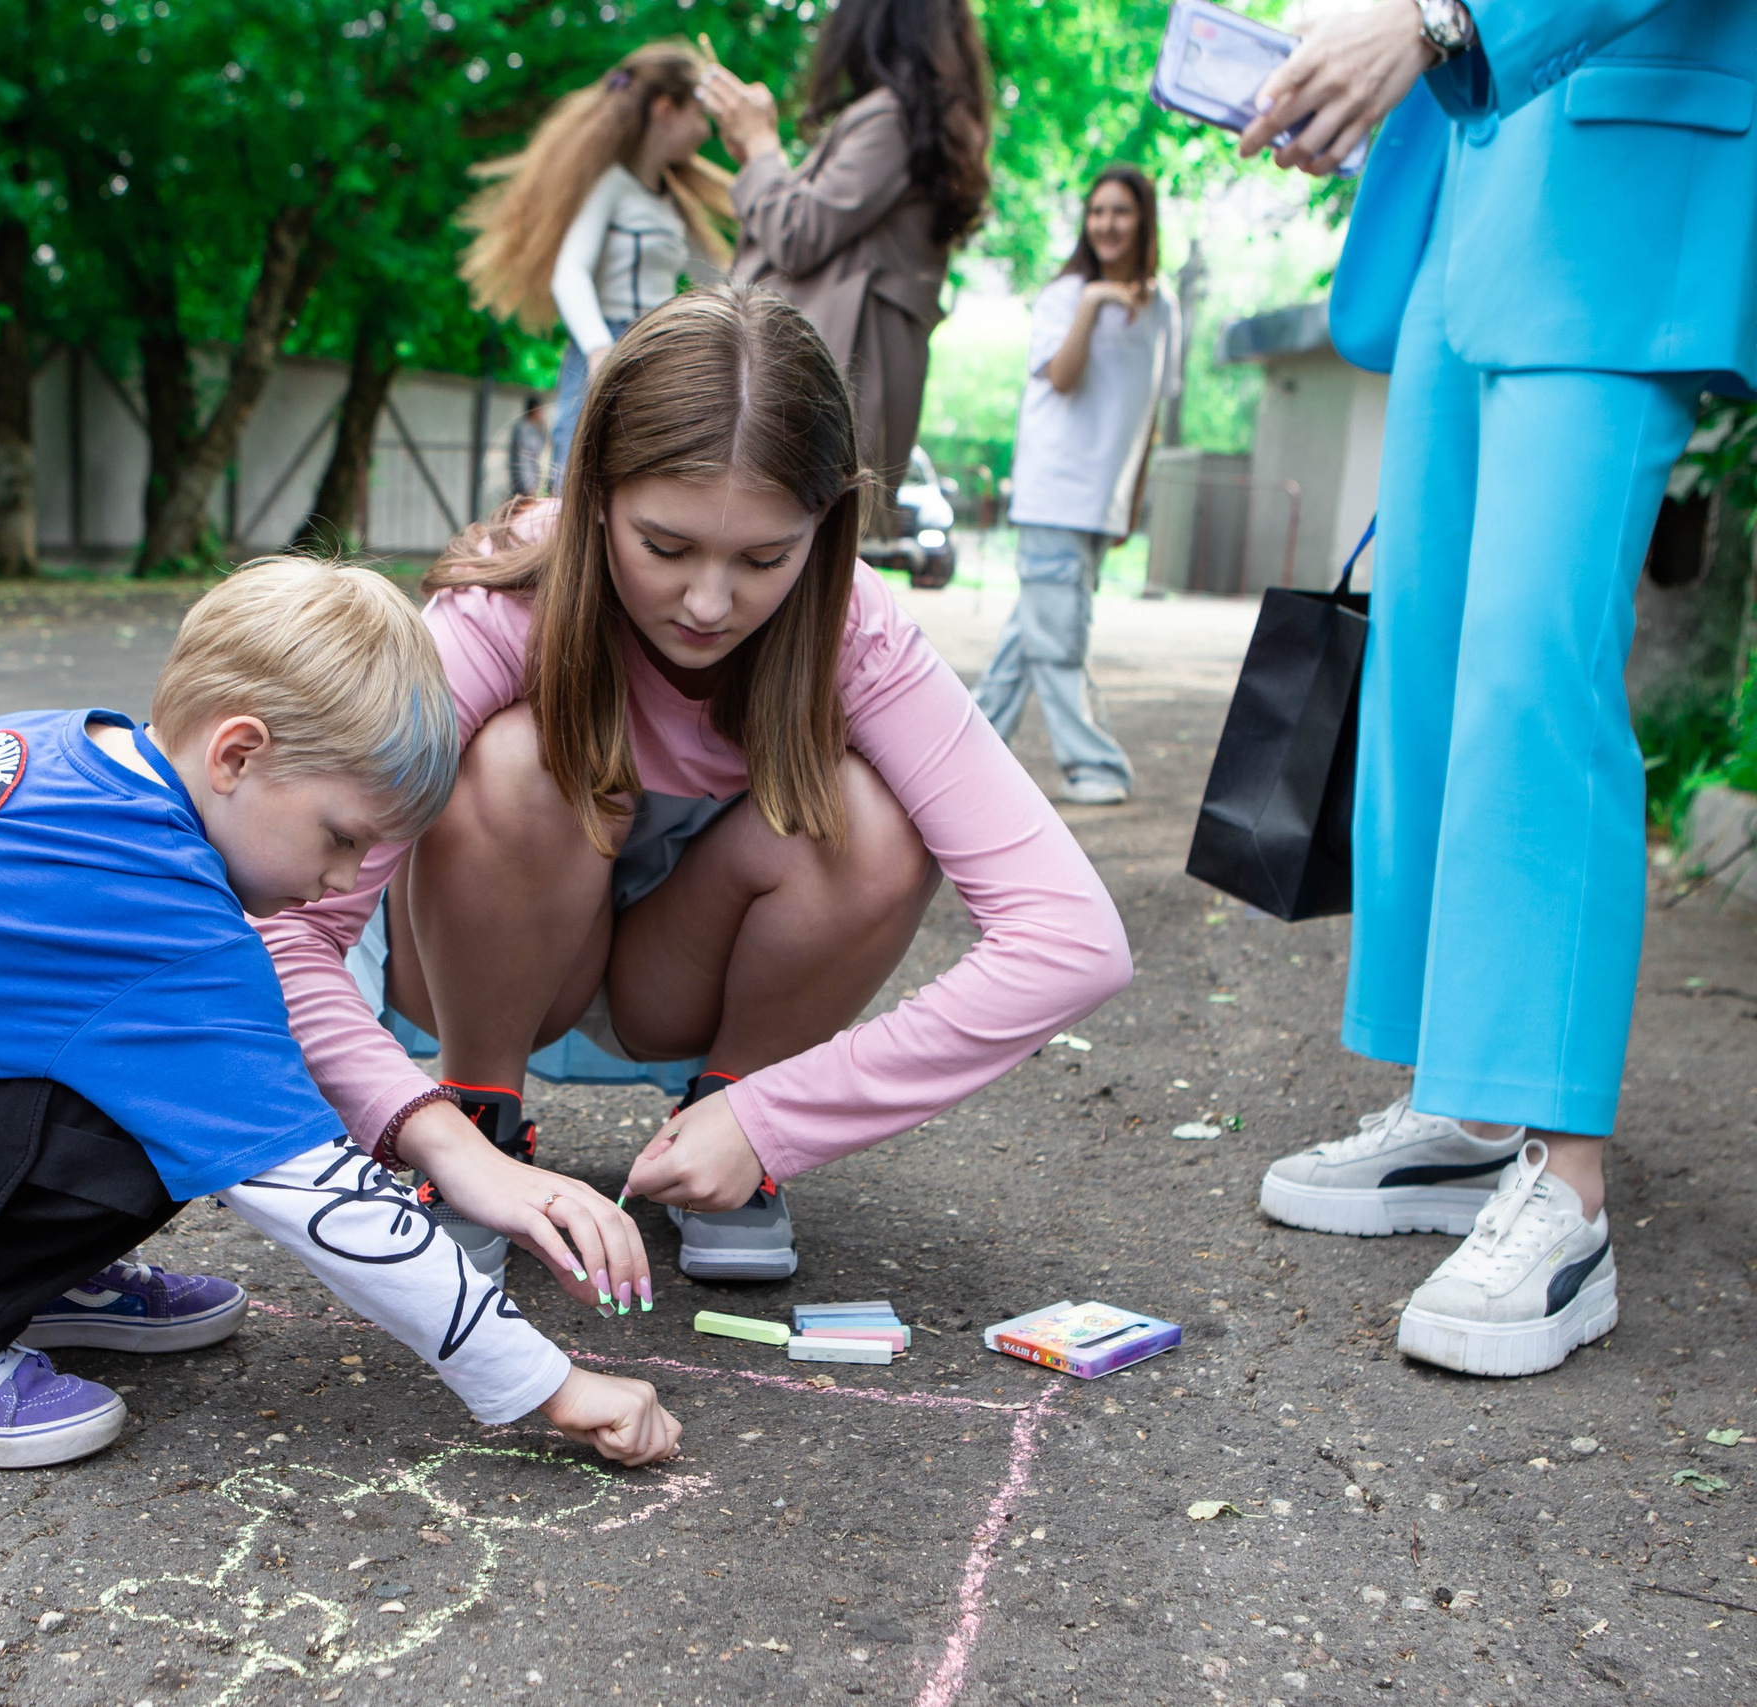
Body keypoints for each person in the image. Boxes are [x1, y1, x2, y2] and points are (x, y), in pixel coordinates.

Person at [0, 559, 678, 1470]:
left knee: (184, 1083)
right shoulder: (153, 907)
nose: (341, 882)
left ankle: (19, 1279)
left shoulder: (85, 759)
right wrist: (548, 1383)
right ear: (237, 754)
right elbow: (309, 1185)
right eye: (340, 837)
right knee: (210, 1111)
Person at [257, 288, 1132, 1288]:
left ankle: (720, 1122)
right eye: (665, 548)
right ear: (595, 493)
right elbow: (286, 928)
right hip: (482, 963)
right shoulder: (504, 606)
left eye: (764, 557)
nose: (709, 604)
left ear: (826, 523)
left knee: (876, 822)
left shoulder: (855, 632)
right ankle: (480, 1115)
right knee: (515, 760)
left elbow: (1073, 940)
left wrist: (774, 1116)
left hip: (679, 981)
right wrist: (424, 1129)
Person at [1243, 0, 1757, 1377]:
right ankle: (1468, 1104)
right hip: (1465, 183)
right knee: (1430, 659)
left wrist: (1437, 16)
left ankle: (1566, 1183)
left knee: (1536, 665)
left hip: (1624, 168)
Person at [697, 0, 992, 536]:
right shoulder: (917, 120)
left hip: (836, 372)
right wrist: (755, 158)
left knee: (793, 542)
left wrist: (763, 145)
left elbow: (799, 234)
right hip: (855, 369)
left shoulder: (890, 119)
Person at [972, 164, 1179, 808]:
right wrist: (1092, 303)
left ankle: (957, 754)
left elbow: (1150, 414)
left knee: (1031, 638)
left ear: (1144, 220)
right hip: (1054, 493)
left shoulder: (1163, 307)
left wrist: (1131, 502)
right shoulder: (1065, 295)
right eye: (1097, 212)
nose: (1107, 224)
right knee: (1059, 639)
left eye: (1121, 211)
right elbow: (1062, 378)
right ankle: (1094, 765)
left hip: (1100, 502)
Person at [459, 41, 733, 486]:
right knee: (581, 481)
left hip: (658, 351)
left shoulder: (672, 203)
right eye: (700, 114)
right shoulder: (611, 187)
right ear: (665, 109)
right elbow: (570, 273)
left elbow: (721, 280)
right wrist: (599, 348)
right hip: (609, 350)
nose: (706, 130)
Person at [507, 393, 550, 498]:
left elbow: (544, 445)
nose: (542, 414)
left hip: (531, 483)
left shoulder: (535, 428)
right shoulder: (523, 429)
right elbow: (524, 459)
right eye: (540, 410)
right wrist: (528, 486)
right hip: (524, 485)